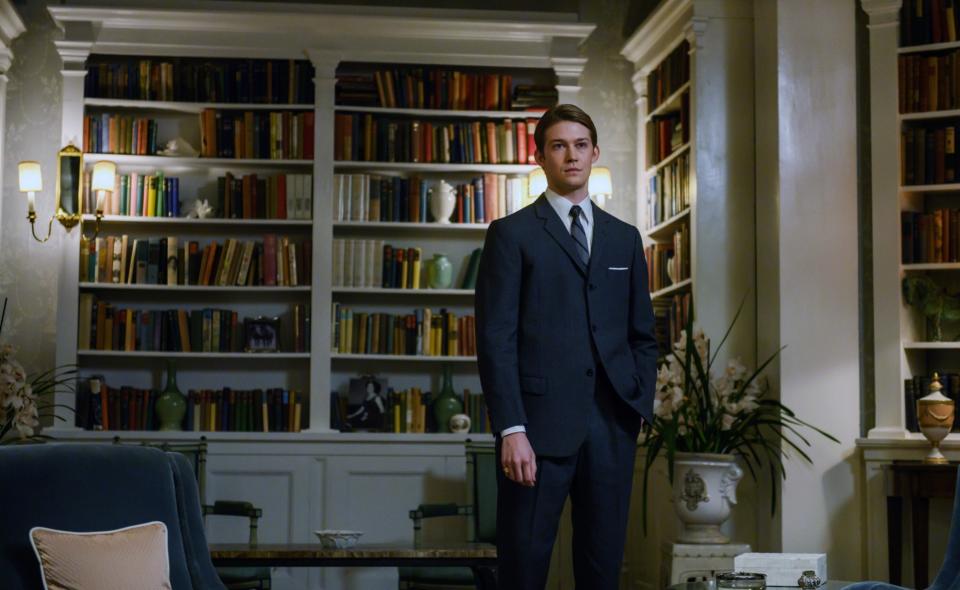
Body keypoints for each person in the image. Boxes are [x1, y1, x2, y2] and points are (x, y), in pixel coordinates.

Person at [475, 104, 658, 589]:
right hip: (535, 432)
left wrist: (638, 402)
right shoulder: (511, 235)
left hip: (611, 427)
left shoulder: (624, 239)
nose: (571, 156)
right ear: (540, 157)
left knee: (601, 573)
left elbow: (643, 335)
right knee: (524, 570)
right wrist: (511, 428)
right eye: (558, 145)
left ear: (594, 153)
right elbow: (496, 339)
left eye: (580, 145)